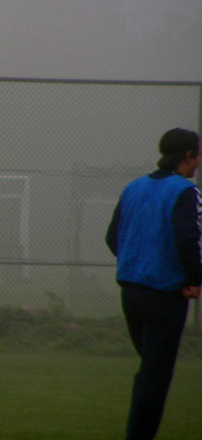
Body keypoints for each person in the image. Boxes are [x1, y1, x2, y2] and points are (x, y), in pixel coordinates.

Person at [105, 127, 201, 440]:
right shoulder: (185, 191)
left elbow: (112, 237)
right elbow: (189, 239)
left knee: (150, 369)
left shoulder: (133, 187)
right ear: (188, 156)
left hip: (131, 293)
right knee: (155, 375)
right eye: (198, 154)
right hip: (165, 295)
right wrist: (194, 279)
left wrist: (135, 260)